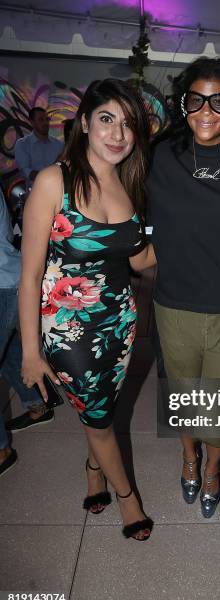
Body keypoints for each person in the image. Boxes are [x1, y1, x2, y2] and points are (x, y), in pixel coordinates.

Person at [19, 79, 156, 540]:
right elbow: (31, 276)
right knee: (99, 419)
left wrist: (186, 235)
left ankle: (94, 472)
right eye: (106, 119)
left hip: (120, 322)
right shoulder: (53, 181)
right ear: (84, 124)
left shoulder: (128, 185)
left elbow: (139, 260)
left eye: (127, 124)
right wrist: (31, 353)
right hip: (67, 330)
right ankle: (128, 501)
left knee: (102, 409)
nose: (117, 133)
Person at [148, 57, 220, 518]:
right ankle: (188, 460)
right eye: (196, 99)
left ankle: (213, 468)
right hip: (175, 304)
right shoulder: (160, 154)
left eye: (218, 99)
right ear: (182, 102)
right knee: (183, 395)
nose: (207, 109)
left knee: (218, 401)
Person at [0, 186, 47, 477]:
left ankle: (1, 450)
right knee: (7, 351)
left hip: (5, 282)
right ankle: (36, 402)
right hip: (10, 278)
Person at [15, 107, 63, 188]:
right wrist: (49, 176)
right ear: (32, 122)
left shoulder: (59, 144)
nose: (45, 123)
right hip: (35, 194)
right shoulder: (22, 144)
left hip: (58, 192)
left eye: (47, 119)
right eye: (41, 120)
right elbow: (25, 171)